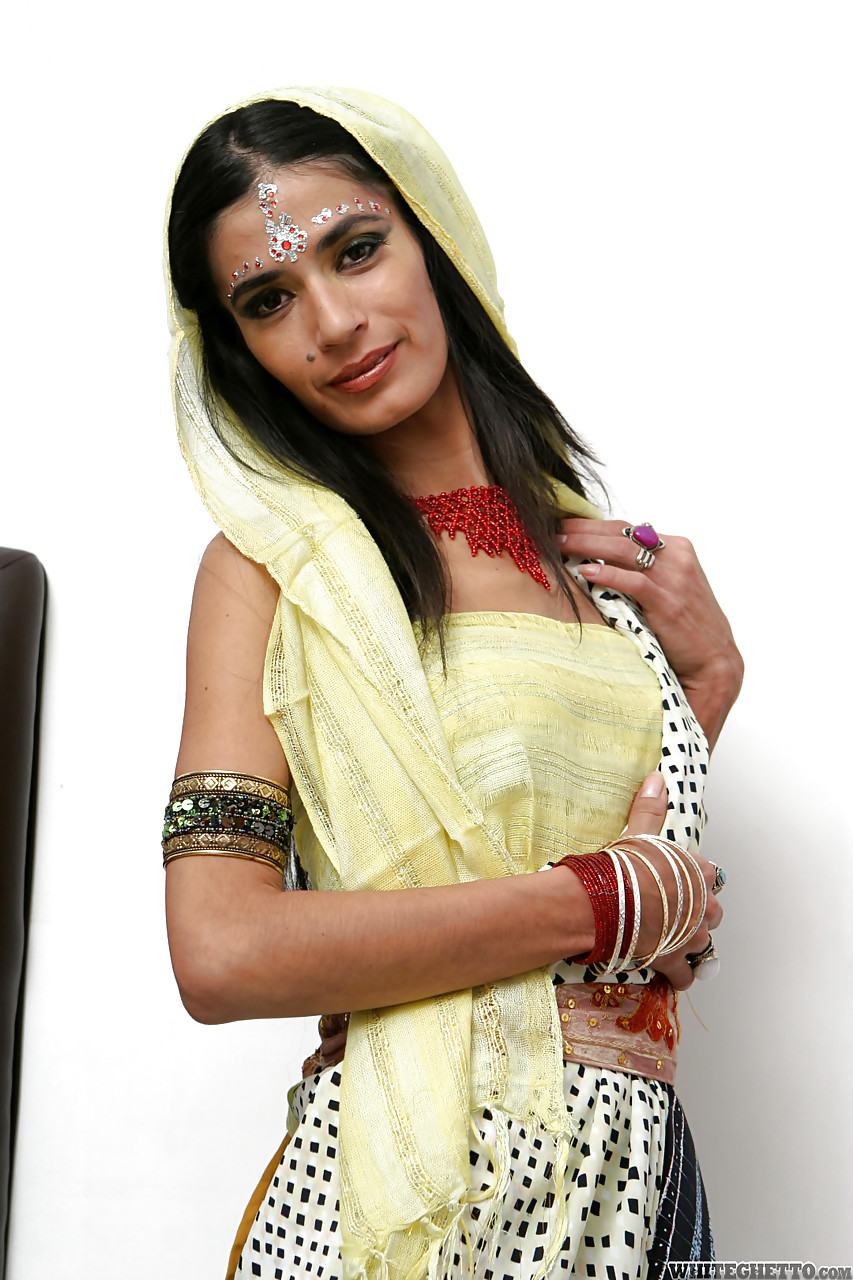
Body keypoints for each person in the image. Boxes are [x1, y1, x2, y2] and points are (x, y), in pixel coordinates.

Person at [164, 87, 742, 1280]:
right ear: (239, 351)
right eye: (269, 300)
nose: (332, 322)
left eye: (356, 249)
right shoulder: (274, 572)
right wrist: (592, 904)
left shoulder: (600, 567)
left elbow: (633, 877)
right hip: (411, 1203)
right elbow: (220, 948)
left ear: (433, 235)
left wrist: (710, 680)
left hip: (630, 1186)